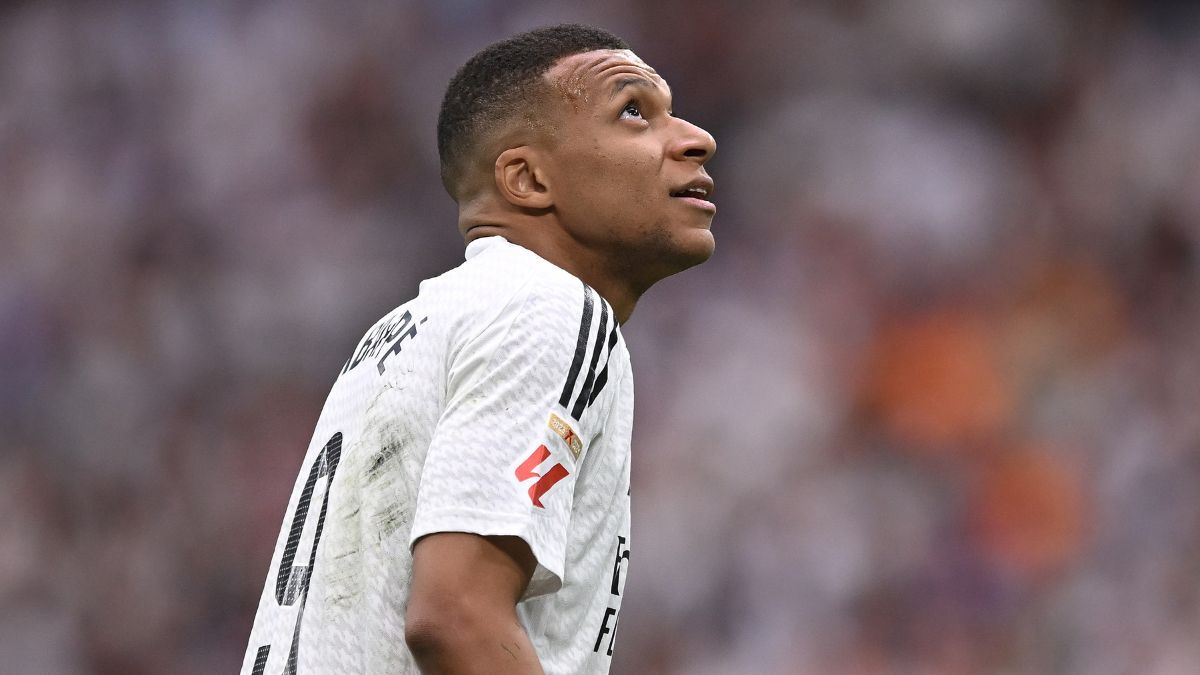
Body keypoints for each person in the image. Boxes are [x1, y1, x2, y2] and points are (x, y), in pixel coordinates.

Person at [241, 23, 716, 674]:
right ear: (528, 178)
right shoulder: (546, 307)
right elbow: (457, 616)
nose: (696, 138)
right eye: (633, 111)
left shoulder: (405, 331)